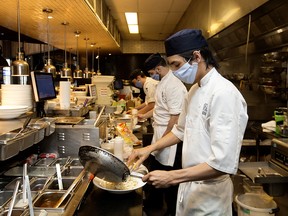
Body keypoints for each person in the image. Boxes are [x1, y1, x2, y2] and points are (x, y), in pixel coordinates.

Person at [128, 29, 248, 215]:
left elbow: (222, 164)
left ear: (196, 56)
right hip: (190, 187)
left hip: (210, 196)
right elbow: (180, 130)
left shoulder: (224, 94)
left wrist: (172, 176)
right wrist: (149, 149)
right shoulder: (193, 91)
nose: (174, 72)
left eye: (176, 65)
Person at [140, 53, 187, 215]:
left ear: (158, 68)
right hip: (160, 133)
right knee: (157, 172)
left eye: (153, 72)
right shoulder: (163, 82)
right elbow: (160, 108)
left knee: (169, 180)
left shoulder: (174, 85)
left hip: (170, 137)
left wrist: (164, 139)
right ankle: (154, 205)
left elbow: (175, 117)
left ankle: (170, 210)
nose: (153, 76)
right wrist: (143, 116)